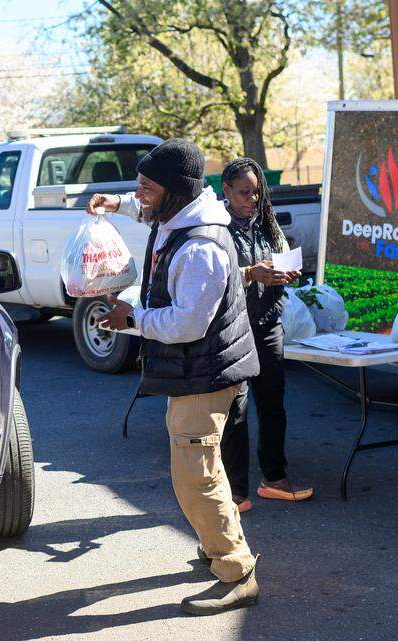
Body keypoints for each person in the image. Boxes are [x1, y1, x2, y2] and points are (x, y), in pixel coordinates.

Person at [88, 139, 261, 615]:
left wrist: (132, 320)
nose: (138, 194)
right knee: (203, 469)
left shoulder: (200, 247)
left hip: (204, 374)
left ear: (175, 191)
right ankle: (217, 546)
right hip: (197, 372)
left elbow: (188, 324)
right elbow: (144, 209)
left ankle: (235, 569)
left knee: (195, 478)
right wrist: (116, 203)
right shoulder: (179, 216)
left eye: (146, 187)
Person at [219, 158, 312, 508]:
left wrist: (288, 272)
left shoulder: (266, 223)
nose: (252, 199)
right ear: (225, 190)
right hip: (234, 329)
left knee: (273, 405)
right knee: (237, 409)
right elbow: (214, 280)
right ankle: (235, 492)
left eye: (256, 192)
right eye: (244, 192)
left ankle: (274, 478)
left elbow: (286, 260)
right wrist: (250, 274)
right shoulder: (217, 228)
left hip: (269, 323)